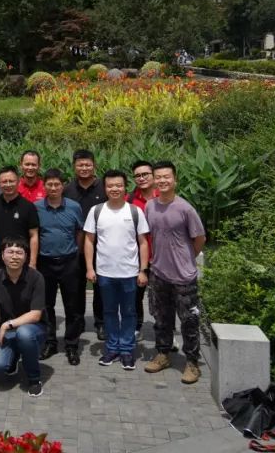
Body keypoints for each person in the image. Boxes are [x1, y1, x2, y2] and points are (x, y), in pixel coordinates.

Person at [143, 161, 207, 384]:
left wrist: (187, 258)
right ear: (154, 180)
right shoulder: (150, 206)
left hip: (183, 276)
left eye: (166, 177)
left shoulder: (185, 208)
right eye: (158, 177)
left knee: (189, 321)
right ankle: (163, 354)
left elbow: (200, 238)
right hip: (159, 272)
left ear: (175, 179)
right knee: (161, 318)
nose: (162, 180)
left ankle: (192, 363)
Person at [84, 170, 150, 370]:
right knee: (109, 312)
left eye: (119, 185)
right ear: (105, 188)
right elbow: (89, 241)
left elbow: (143, 242)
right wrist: (90, 268)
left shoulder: (135, 212)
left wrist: (143, 270)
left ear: (125, 187)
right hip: (105, 273)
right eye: (110, 185)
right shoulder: (96, 211)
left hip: (130, 274)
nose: (115, 189)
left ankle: (127, 350)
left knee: (129, 313)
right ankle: (112, 348)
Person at [0, 237, 47, 397]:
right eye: (10, 252)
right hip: (8, 331)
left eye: (19, 252)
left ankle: (34, 379)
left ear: (26, 256)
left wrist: (7, 324)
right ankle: (14, 356)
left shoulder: (36, 277)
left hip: (34, 329)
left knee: (24, 334)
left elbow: (36, 315)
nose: (14, 256)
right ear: (2, 256)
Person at [35, 168, 86, 365]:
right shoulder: (37, 207)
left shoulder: (74, 207)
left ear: (63, 186)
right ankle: (50, 342)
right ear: (44, 186)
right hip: (45, 261)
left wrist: (76, 253)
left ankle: (72, 345)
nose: (54, 188)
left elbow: (79, 231)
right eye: (50, 184)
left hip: (69, 261)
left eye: (57, 184)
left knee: (72, 305)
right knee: (46, 304)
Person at [64, 149, 108, 341]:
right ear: (74, 167)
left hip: (101, 247)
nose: (84, 168)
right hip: (74, 248)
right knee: (76, 288)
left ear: (94, 165)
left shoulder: (104, 187)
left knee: (100, 287)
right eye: (80, 165)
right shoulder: (67, 190)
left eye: (87, 164)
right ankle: (78, 321)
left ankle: (101, 322)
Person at [128, 160, 159, 341]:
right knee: (135, 296)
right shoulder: (130, 200)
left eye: (145, 174)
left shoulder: (164, 196)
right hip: (138, 257)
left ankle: (166, 332)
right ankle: (136, 327)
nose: (141, 178)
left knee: (162, 299)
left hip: (161, 257)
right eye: (137, 176)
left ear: (153, 175)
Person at [0, 166, 39, 269]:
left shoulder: (28, 206)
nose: (8, 184)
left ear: (18, 182)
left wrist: (33, 263)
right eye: (4, 182)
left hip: (21, 262)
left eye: (11, 181)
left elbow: (34, 235)